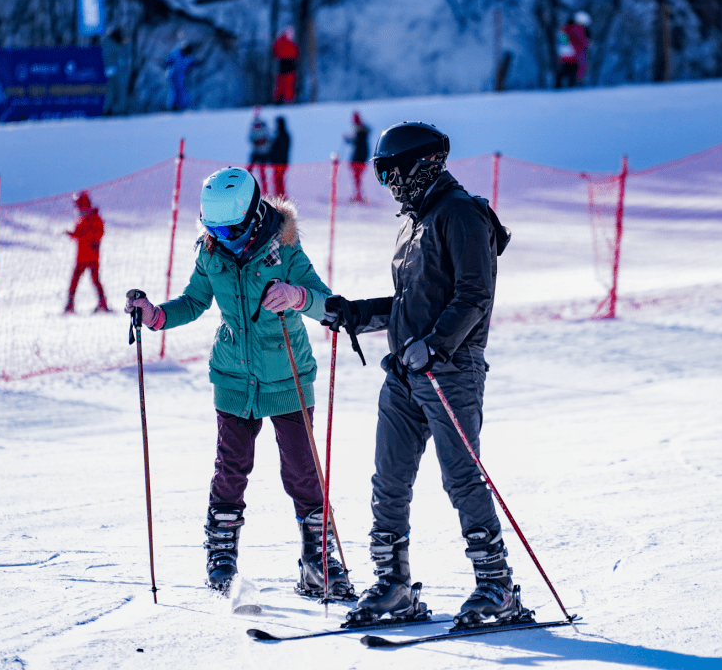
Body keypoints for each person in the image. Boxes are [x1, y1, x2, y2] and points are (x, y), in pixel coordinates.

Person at [320, 122, 517, 629]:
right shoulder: (415, 222)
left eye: (390, 171)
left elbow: (475, 294)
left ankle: (496, 585)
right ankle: (394, 585)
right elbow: (411, 304)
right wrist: (357, 313)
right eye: (380, 173)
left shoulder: (461, 214)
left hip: (451, 370)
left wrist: (437, 345)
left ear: (420, 164)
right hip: (407, 372)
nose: (387, 183)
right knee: (389, 479)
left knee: (461, 477)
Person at [124, 167, 354, 600]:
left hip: (287, 372)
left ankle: (317, 563)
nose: (221, 236)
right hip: (234, 376)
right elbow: (194, 301)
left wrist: (296, 296)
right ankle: (222, 557)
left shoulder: (284, 250)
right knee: (231, 469)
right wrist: (155, 315)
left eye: (229, 228)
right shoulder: (211, 253)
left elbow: (325, 302)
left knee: (303, 473)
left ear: (251, 216)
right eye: (212, 228)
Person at [65, 192, 111, 312]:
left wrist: (85, 237)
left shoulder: (94, 218)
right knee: (78, 281)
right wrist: (72, 234)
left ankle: (102, 304)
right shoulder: (82, 218)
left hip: (91, 257)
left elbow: (97, 233)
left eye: (79, 204)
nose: (78, 207)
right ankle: (70, 305)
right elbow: (80, 234)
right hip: (82, 256)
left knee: (93, 280)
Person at [555, 11, 592, 89]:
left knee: (565, 70)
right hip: (575, 53)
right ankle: (571, 87)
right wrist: (588, 43)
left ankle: (560, 86)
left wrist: (564, 46)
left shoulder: (565, 28)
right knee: (574, 71)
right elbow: (582, 40)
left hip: (565, 53)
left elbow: (562, 38)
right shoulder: (578, 28)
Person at [343, 111, 371, 203]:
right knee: (357, 177)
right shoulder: (362, 131)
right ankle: (358, 194)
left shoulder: (360, 132)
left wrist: (349, 140)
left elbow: (358, 143)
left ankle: (358, 195)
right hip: (361, 157)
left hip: (359, 158)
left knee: (357, 177)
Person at [102, 27, 130, 116]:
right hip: (112, 70)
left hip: (112, 70)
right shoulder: (110, 43)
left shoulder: (108, 43)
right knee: (115, 91)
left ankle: (111, 109)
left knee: (113, 91)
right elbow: (121, 51)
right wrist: (125, 44)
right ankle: (112, 109)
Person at [165, 41, 196, 111]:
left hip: (181, 77)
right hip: (173, 75)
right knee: (173, 90)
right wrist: (169, 64)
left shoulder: (187, 57)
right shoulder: (176, 53)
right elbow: (168, 60)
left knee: (182, 91)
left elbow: (192, 63)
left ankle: (181, 106)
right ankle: (171, 106)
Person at [272, 27, 299, 104]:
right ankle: (284, 99)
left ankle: (286, 98)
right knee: (284, 82)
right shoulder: (283, 42)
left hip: (287, 65)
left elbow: (296, 53)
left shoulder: (289, 43)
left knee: (287, 82)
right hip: (284, 64)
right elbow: (295, 53)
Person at [247, 108, 271, 193]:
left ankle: (265, 191)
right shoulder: (253, 129)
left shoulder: (264, 128)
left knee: (262, 174)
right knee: (249, 172)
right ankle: (244, 187)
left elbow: (268, 138)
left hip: (263, 154)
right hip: (256, 153)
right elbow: (250, 138)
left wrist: (261, 141)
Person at [268, 116, 290, 199]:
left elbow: (281, 150)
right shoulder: (278, 133)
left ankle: (281, 198)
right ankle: (279, 197)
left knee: (279, 182)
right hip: (277, 163)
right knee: (277, 181)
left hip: (281, 163)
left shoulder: (283, 135)